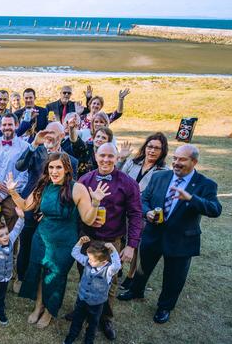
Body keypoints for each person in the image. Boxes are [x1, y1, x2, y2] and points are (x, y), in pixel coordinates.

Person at [118, 145, 222, 324]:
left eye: (182, 159)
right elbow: (143, 200)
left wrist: (191, 198)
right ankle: (135, 291)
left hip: (181, 239)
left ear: (194, 161)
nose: (176, 162)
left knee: (174, 276)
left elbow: (215, 209)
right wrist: (147, 212)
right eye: (175, 158)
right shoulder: (160, 177)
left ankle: (164, 307)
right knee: (143, 267)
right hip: (153, 234)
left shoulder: (206, 184)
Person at [6, 153, 110, 329]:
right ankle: (39, 305)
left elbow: (88, 219)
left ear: (67, 169)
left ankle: (49, 311)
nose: (54, 171)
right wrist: (12, 191)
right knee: (40, 272)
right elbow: (25, 206)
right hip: (42, 238)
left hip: (65, 241)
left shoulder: (77, 189)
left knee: (56, 276)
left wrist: (95, 203)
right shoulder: (44, 185)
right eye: (51, 167)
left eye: (58, 167)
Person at [77, 143, 143, 340]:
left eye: (110, 156)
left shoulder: (127, 182)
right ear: (96, 156)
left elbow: (136, 214)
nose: (106, 160)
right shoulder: (85, 179)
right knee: (85, 277)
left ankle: (105, 317)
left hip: (112, 242)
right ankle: (83, 311)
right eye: (102, 156)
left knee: (110, 282)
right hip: (88, 240)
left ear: (116, 158)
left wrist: (131, 245)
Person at [13, 123, 78, 294]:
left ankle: (40, 283)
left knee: (46, 248)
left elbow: (69, 190)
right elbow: (19, 166)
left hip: (52, 212)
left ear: (62, 135)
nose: (48, 135)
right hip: (30, 206)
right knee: (26, 242)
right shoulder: (37, 151)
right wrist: (34, 144)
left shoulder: (71, 161)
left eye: (53, 132)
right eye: (47, 131)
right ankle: (21, 276)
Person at [117, 132, 169, 290]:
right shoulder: (133, 162)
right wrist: (121, 159)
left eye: (157, 148)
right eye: (150, 146)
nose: (152, 151)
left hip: (142, 211)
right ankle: (117, 267)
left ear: (162, 151)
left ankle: (131, 275)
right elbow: (118, 177)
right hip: (123, 207)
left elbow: (159, 194)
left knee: (136, 243)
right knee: (120, 239)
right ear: (145, 147)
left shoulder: (164, 171)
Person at [64, 237, 121, 344]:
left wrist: (113, 249)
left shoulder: (108, 270)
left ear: (104, 261)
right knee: (77, 320)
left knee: (92, 324)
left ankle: (88, 341)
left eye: (92, 260)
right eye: (88, 258)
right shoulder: (88, 261)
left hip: (96, 304)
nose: (88, 261)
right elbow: (75, 254)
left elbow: (117, 265)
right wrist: (80, 242)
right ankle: (71, 336)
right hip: (81, 299)